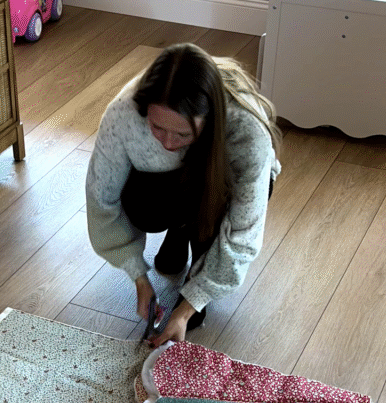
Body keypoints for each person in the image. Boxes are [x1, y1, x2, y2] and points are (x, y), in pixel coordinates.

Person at [85, 43, 282, 346]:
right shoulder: (123, 114)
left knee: (212, 223)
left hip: (218, 187)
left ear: (211, 120)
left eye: (182, 134)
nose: (167, 141)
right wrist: (139, 277)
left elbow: (243, 231)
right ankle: (180, 228)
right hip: (166, 184)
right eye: (157, 128)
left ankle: (198, 239)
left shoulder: (246, 130)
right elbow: (102, 198)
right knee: (142, 203)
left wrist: (187, 308)